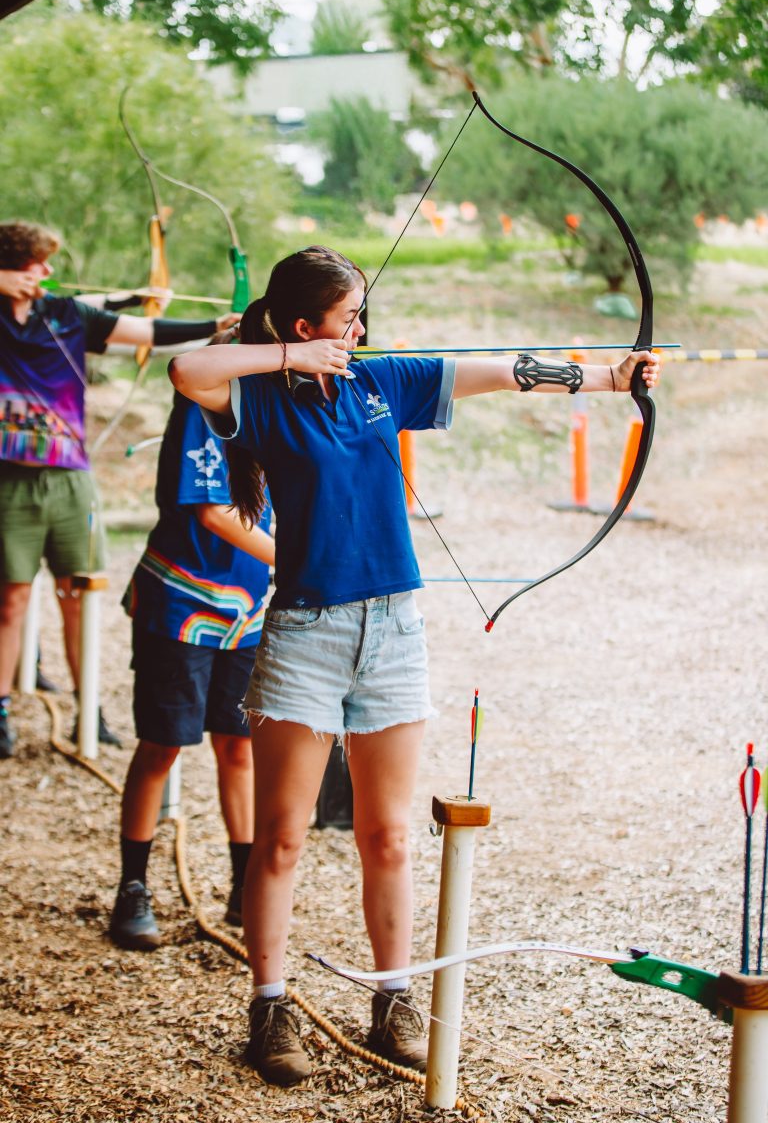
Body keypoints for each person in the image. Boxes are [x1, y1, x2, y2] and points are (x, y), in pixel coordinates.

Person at [169, 244, 661, 1087]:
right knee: (282, 837)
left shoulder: (378, 381)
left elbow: (504, 371)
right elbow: (186, 368)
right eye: (347, 317)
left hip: (394, 631)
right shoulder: (259, 399)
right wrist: (292, 358)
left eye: (361, 316)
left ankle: (394, 997)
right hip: (306, 635)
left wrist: (615, 378)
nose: (360, 329)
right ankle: (270, 1006)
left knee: (388, 835)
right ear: (302, 325)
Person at [0, 221, 239, 759]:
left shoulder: (65, 315)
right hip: (7, 479)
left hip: (70, 479)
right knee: (11, 601)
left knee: (78, 594)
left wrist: (215, 324)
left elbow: (145, 335)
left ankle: (91, 709)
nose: (45, 274)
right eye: (34, 264)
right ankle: (1, 713)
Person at [110, 347, 274, 949]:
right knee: (163, 746)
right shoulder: (202, 403)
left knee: (239, 748)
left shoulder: (279, 402)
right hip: (181, 606)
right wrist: (302, 561)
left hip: (249, 609)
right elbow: (211, 511)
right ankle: (133, 887)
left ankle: (243, 886)